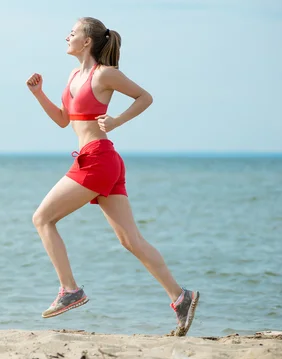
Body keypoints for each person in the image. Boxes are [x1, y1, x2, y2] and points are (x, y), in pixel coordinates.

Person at [25, 17, 199, 337]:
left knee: (42, 219)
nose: (67, 36)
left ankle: (70, 289)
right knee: (129, 240)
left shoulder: (104, 74)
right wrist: (39, 94)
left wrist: (117, 121)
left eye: (73, 33)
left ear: (87, 41)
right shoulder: (74, 75)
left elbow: (144, 97)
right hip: (99, 160)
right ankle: (180, 297)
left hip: (98, 160)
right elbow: (64, 121)